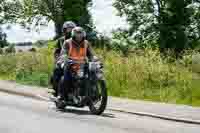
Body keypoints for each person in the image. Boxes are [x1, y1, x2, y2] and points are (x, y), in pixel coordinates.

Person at [57, 26, 95, 101]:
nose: (79, 37)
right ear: (73, 35)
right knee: (66, 77)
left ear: (83, 35)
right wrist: (65, 58)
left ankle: (92, 93)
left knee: (92, 74)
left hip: (82, 64)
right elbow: (63, 52)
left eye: (81, 35)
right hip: (70, 63)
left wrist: (94, 59)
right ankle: (61, 95)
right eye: (77, 35)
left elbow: (91, 54)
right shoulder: (68, 42)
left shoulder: (86, 43)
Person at [51, 21, 76, 97]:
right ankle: (56, 90)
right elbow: (57, 52)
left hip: (77, 60)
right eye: (69, 29)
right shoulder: (61, 40)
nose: (70, 31)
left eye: (72, 29)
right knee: (57, 70)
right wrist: (58, 60)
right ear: (64, 30)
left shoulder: (78, 40)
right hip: (64, 60)